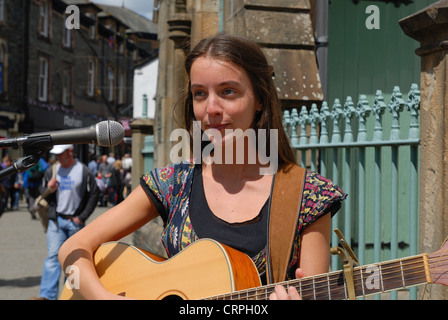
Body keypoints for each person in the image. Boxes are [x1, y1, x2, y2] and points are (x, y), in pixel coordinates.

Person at [58, 33, 346, 300]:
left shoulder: (308, 195)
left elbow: (316, 290)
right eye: (200, 94)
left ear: (259, 99)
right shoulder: (173, 183)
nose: (211, 109)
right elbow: (71, 248)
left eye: (228, 92)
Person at [34, 144, 99, 300]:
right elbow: (41, 192)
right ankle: (47, 297)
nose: (58, 157)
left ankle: (71, 295)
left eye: (61, 154)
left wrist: (82, 217)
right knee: (52, 259)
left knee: (74, 263)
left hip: (75, 223)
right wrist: (48, 189)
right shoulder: (52, 170)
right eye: (56, 154)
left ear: (70, 152)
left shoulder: (84, 171)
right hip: (56, 221)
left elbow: (94, 195)